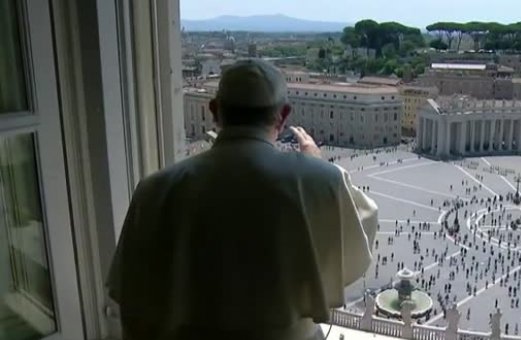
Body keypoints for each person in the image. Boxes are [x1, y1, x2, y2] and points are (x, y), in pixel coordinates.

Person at [107, 59, 378, 340]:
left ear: (214, 111)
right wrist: (318, 168)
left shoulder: (154, 189)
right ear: (283, 115)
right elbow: (359, 236)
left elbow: (129, 294)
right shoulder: (321, 180)